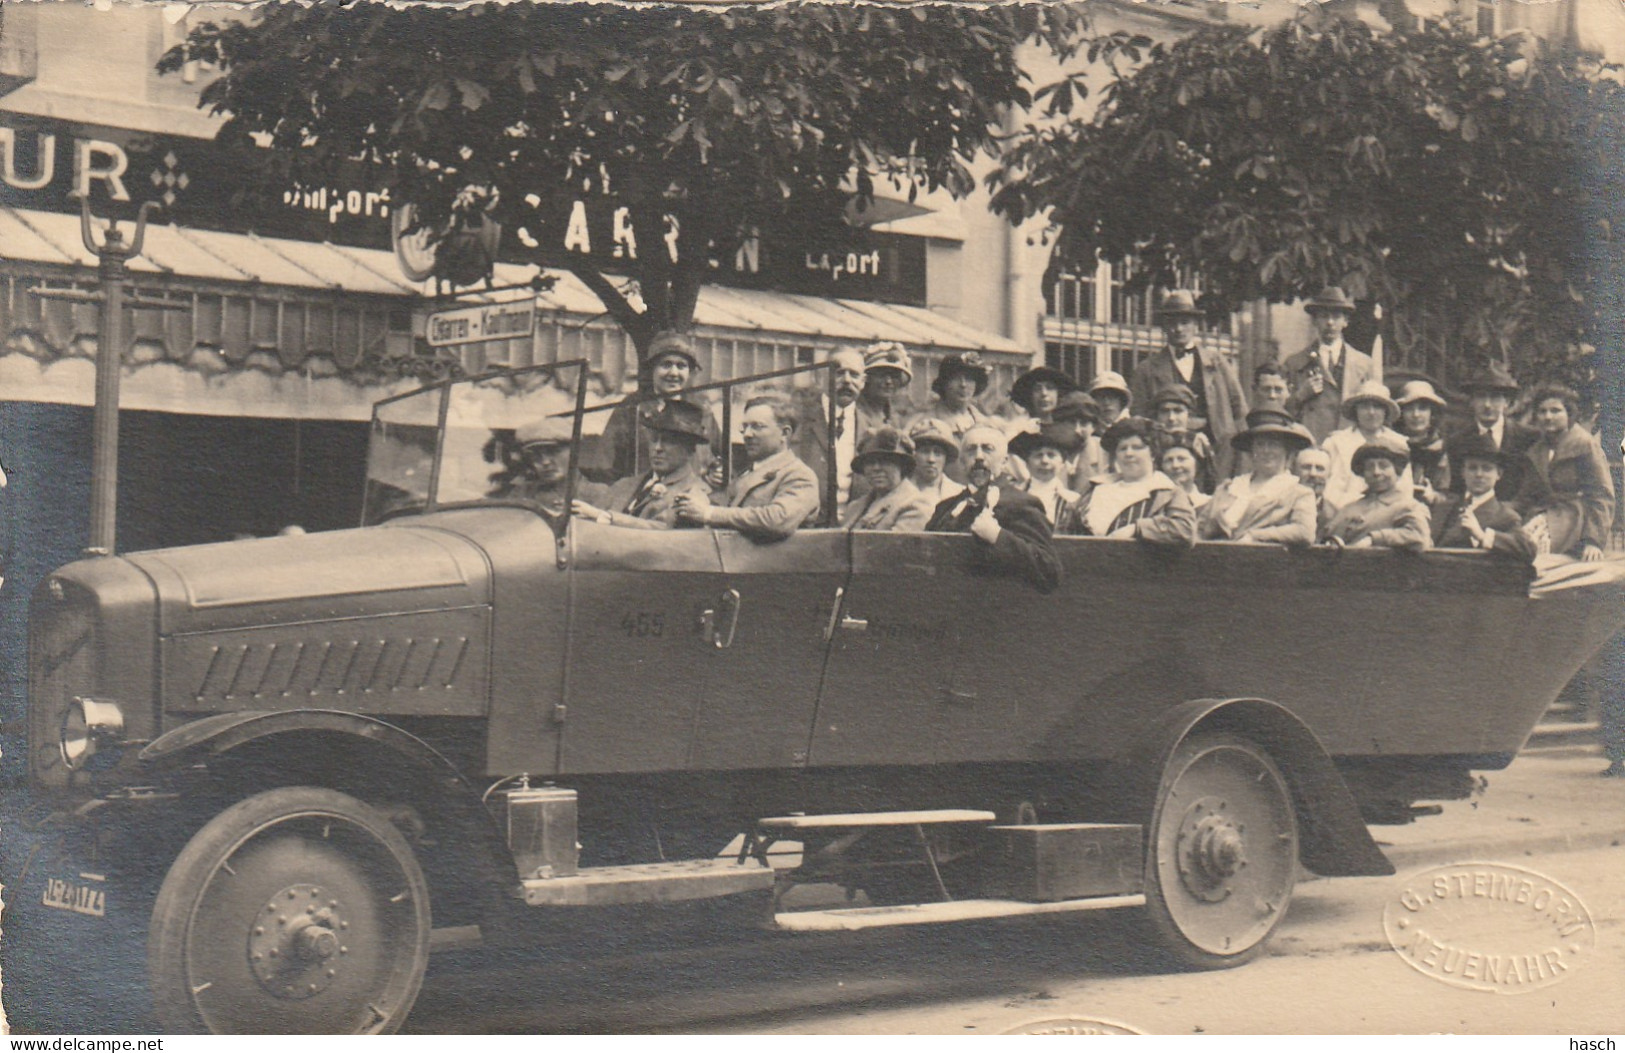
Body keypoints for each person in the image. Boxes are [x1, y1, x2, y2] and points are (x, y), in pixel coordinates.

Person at [925, 423, 1062, 593]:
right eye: (971, 450)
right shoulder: (946, 507)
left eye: (987, 449)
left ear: (1004, 461)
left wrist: (998, 537)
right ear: (962, 462)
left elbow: (1049, 571)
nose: (979, 456)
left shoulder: (1021, 503)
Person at [1129, 290, 1248, 481]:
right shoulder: (1147, 369)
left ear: (1195, 326)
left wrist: (1239, 454)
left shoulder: (1217, 362)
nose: (1178, 329)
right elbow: (1139, 418)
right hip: (1170, 455)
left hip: (1218, 450)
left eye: (1184, 322)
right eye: (1172, 323)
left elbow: (1239, 408)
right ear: (1164, 327)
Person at [675, 394, 820, 540]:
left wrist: (709, 513)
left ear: (784, 433)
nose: (747, 434)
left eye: (757, 426)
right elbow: (725, 505)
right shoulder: (747, 472)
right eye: (745, 427)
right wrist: (699, 499)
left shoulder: (799, 475)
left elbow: (777, 519)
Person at [589, 330, 719, 483]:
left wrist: (718, 473)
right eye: (666, 365)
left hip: (690, 498)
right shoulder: (632, 408)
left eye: (681, 366)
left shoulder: (700, 409)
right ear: (652, 369)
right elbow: (605, 465)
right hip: (640, 498)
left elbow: (721, 457)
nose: (673, 373)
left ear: (689, 372)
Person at [572, 401, 715, 530]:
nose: (657, 448)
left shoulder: (695, 493)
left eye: (668, 441)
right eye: (654, 440)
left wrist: (603, 517)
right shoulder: (626, 484)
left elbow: (665, 532)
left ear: (690, 449)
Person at [1516, 384, 1615, 562]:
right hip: (1543, 515)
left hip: (1575, 519)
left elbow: (1602, 495)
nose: (1548, 417)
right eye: (1542, 411)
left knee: (1538, 553)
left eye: (1555, 411)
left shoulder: (1584, 445)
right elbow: (1526, 495)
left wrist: (1593, 541)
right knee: (1516, 545)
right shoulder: (1537, 449)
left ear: (1569, 414)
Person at [1069, 416, 1196, 548]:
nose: (1128, 453)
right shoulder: (1097, 489)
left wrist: (1137, 528)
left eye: (1137, 447)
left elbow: (1185, 530)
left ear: (1152, 453)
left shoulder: (1167, 492)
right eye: (1122, 448)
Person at [1199, 411, 1318, 545]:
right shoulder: (1228, 489)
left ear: (1287, 451)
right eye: (1260, 444)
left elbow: (1304, 531)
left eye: (1273, 444)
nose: (1266, 451)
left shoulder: (1298, 493)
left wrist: (1255, 535)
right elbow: (1199, 529)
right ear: (1251, 451)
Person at [1282, 286, 1376, 444]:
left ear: (1345, 321)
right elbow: (1281, 413)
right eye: (1324, 316)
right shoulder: (1294, 363)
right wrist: (1300, 395)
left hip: (1350, 444)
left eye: (1336, 316)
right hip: (1310, 444)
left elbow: (1375, 410)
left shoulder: (1364, 364)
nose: (1330, 322)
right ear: (1314, 321)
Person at [1445, 361, 1538, 505]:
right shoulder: (1457, 441)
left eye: (1495, 398)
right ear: (1472, 401)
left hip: (1517, 515)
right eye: (1481, 397)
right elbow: (1457, 488)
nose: (1487, 405)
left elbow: (1533, 486)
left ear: (1506, 402)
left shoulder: (1528, 437)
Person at [1431, 433, 1535, 560]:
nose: (1479, 474)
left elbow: (1528, 550)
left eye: (1487, 469)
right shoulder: (1444, 507)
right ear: (1463, 472)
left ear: (1499, 474)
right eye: (1472, 468)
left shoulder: (1506, 517)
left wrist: (1482, 535)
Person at [792, 347, 868, 519]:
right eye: (839, 373)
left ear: (863, 382)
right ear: (820, 378)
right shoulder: (799, 419)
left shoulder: (871, 429)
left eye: (854, 374)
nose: (847, 380)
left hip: (852, 528)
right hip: (805, 524)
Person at [1322, 439, 1431, 552]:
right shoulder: (1349, 508)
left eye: (1383, 466)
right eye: (1369, 467)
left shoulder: (1409, 506)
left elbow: (1419, 537)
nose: (1376, 472)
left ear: (1397, 471)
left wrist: (1373, 539)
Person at [1321, 379, 1414, 510]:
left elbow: (1405, 490)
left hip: (1386, 513)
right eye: (1365, 407)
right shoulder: (1335, 442)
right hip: (1340, 511)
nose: (1371, 412)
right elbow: (1325, 486)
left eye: (1377, 407)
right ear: (1356, 411)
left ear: (1385, 411)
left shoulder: (1398, 443)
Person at [498, 417, 606, 514]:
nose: (545, 462)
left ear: (574, 451)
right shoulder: (522, 493)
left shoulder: (597, 493)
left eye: (553, 452)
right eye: (535, 455)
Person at [917, 352, 995, 479]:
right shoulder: (925, 423)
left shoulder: (987, 425)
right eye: (955, 378)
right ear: (944, 383)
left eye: (969, 378)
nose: (963, 385)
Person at [841, 428, 935, 532]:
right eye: (870, 462)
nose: (876, 468)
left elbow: (894, 546)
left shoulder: (915, 506)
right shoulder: (855, 507)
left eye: (885, 461)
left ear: (901, 465)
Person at [1008, 423, 1085, 529]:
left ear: (1062, 463)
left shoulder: (1073, 500)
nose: (1044, 461)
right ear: (1027, 463)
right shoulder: (1013, 496)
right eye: (1038, 455)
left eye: (1051, 455)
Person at [1395, 379, 1452, 512]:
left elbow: (1448, 495)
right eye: (1409, 409)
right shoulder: (1394, 444)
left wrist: (1432, 496)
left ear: (1432, 413)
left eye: (1422, 408)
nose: (1416, 415)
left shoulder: (1441, 449)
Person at [1149, 383, 1217, 493]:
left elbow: (1209, 481)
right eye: (1165, 411)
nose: (1171, 418)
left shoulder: (1198, 442)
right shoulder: (1150, 443)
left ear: (1188, 414)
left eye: (1178, 411)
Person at [855, 342, 916, 432]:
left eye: (894, 376)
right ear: (867, 378)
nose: (888, 382)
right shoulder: (854, 413)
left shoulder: (893, 418)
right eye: (881, 375)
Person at [1054, 391, 1107, 489]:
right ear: (1060, 425)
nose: (1077, 430)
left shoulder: (1105, 453)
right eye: (1071, 422)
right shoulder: (1049, 452)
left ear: (1094, 427)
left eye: (1083, 423)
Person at [907, 418, 965, 507]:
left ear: (946, 458)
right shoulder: (900, 492)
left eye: (938, 453)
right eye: (925, 451)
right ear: (914, 454)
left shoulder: (960, 494)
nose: (931, 459)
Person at [1294, 447, 1338, 541]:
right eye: (1306, 467)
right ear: (1294, 472)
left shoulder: (1336, 516)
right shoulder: (1278, 508)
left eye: (1320, 469)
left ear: (1329, 475)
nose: (1313, 474)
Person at [1159, 440, 1210, 512]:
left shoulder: (1210, 504)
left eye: (1181, 459)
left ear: (1196, 464)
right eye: (1169, 460)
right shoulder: (1156, 506)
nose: (1175, 465)